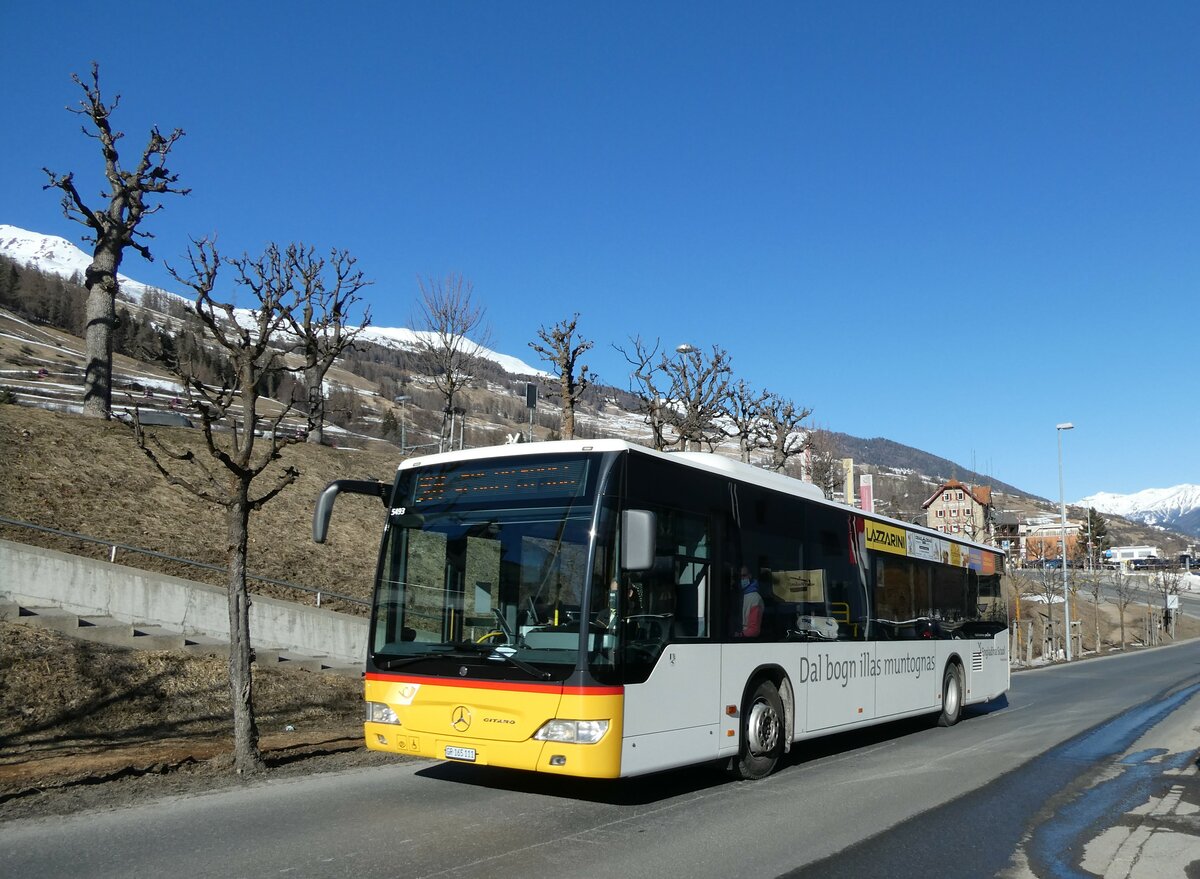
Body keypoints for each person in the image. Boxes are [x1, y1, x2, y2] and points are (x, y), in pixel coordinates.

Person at [737, 566, 763, 637]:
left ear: (750, 576)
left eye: (744, 575)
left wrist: (740, 635)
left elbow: (754, 630)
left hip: (744, 638)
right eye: (739, 576)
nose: (741, 579)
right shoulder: (737, 595)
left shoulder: (755, 598)